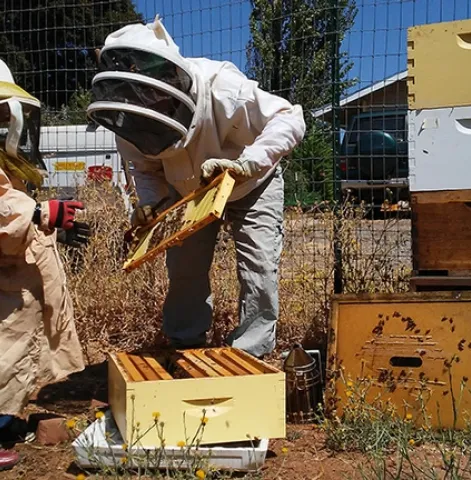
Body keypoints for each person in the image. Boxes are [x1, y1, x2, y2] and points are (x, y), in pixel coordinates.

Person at [87, 16, 306, 359]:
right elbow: (144, 167)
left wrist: (248, 164)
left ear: (166, 76)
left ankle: (251, 354)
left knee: (259, 266)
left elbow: (290, 118)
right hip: (188, 191)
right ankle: (185, 344)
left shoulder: (223, 87)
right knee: (185, 267)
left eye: (150, 92)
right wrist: (152, 203)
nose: (147, 101)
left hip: (252, 184)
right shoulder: (129, 118)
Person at [0, 59, 88, 470]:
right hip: (8, 280)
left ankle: (4, 422)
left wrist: (52, 227)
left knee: (17, 351)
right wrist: (36, 213)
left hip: (14, 274)